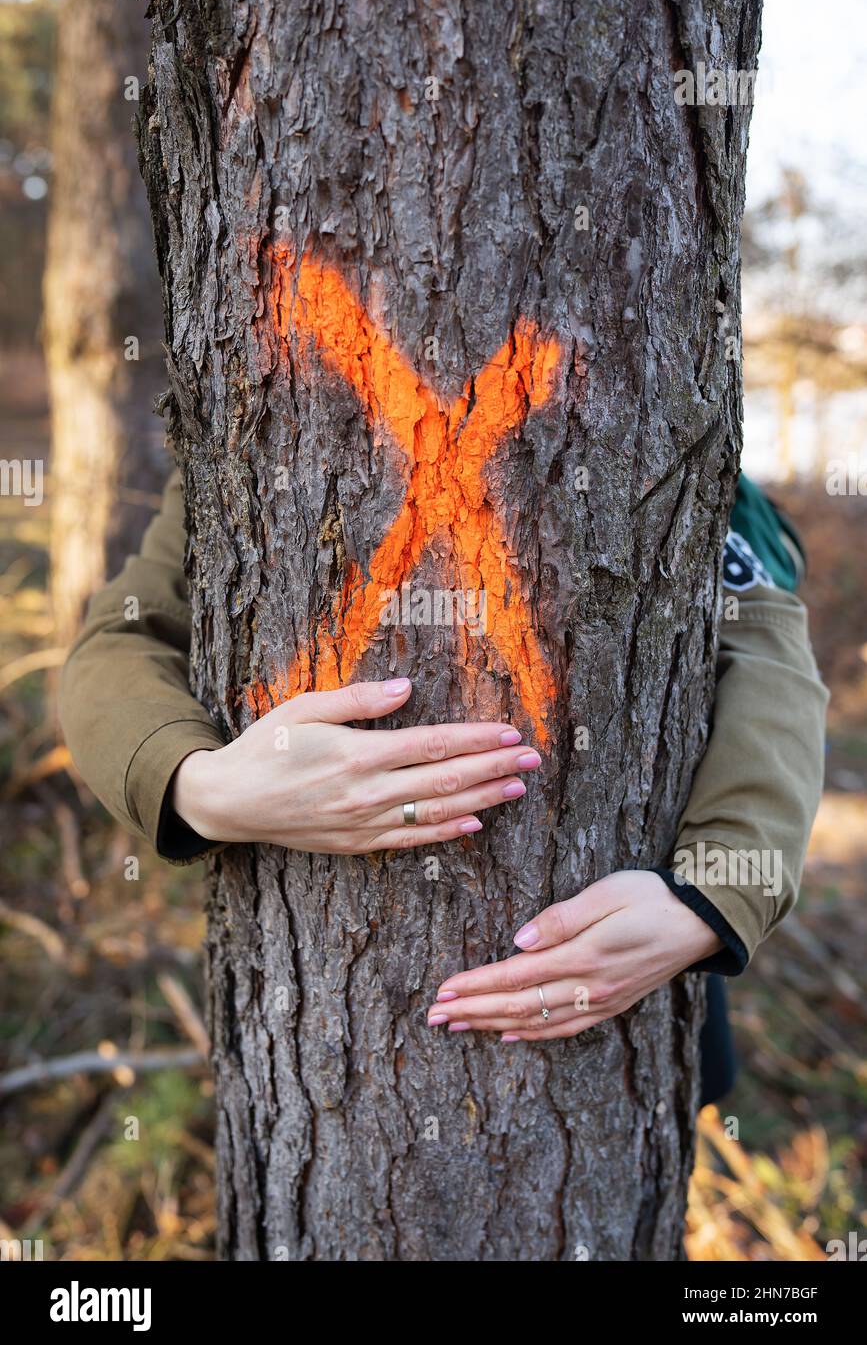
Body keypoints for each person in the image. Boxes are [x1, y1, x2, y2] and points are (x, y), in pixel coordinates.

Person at [59, 468, 827, 1103]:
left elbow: (771, 664)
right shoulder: (225, 438)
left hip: (632, 970)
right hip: (306, 1036)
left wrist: (711, 896)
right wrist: (199, 786)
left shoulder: (679, 455)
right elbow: (123, 638)